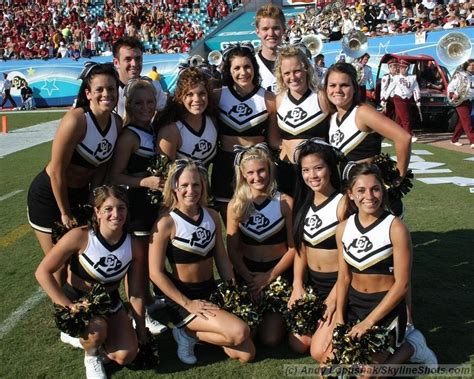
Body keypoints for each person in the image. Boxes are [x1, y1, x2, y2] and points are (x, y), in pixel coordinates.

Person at [149, 159, 255, 364]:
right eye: (185, 185)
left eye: (196, 184)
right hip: (183, 297)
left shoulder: (212, 216)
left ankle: (195, 333)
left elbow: (222, 259)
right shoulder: (166, 223)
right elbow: (155, 273)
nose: (191, 190)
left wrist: (233, 292)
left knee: (246, 354)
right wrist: (187, 304)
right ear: (174, 187)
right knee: (240, 332)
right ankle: (186, 331)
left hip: (210, 290)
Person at [35, 185, 147, 379]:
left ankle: (92, 338)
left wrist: (142, 329)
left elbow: (135, 292)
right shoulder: (81, 236)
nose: (116, 214)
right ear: (97, 212)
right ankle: (91, 355)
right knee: (97, 330)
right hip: (78, 300)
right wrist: (69, 308)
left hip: (110, 301)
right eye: (108, 209)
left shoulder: (134, 245)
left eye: (121, 208)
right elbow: (42, 272)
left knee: (126, 355)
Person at [335, 163, 437, 367]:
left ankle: (412, 347)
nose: (369, 196)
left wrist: (369, 322)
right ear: (351, 194)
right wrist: (339, 315)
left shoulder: (396, 228)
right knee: (327, 368)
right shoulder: (343, 228)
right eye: (361, 190)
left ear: (383, 190)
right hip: (355, 306)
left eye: (375, 189)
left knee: (366, 374)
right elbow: (344, 277)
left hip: (386, 308)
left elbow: (402, 284)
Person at [27, 62, 121, 283]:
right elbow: (57, 171)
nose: (106, 94)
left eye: (111, 89)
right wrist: (64, 212)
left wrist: (92, 202)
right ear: (88, 93)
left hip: (80, 195)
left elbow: (101, 168)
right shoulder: (76, 120)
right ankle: (65, 314)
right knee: (57, 265)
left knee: (80, 262)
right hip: (50, 195)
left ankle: (82, 311)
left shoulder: (116, 122)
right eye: (99, 89)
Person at [109, 78, 167, 334]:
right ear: (129, 104)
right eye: (138, 103)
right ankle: (138, 315)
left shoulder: (151, 128)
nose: (145, 107)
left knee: (148, 260)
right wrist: (146, 181)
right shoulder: (129, 136)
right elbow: (115, 176)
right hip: (136, 207)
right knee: (138, 264)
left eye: (150, 102)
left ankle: (149, 303)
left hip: (151, 206)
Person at [226, 144, 295, 346]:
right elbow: (233, 249)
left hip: (278, 274)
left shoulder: (285, 202)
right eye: (251, 173)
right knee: (248, 334)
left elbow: (293, 249)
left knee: (270, 339)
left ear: (270, 169)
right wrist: (250, 279)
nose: (257, 177)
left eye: (262, 170)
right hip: (248, 274)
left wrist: (268, 277)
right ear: (243, 175)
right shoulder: (236, 205)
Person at [324, 62, 411, 216]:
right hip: (351, 193)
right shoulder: (332, 118)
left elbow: (403, 137)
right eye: (332, 85)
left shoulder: (362, 112)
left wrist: (399, 177)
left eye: (344, 85)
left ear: (354, 88)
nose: (337, 90)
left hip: (371, 196)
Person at [287, 139, 346, 362]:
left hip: (339, 287)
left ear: (330, 169)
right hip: (314, 286)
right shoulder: (304, 203)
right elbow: (301, 250)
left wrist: (333, 299)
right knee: (298, 344)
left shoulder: (343, 204)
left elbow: (349, 261)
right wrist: (297, 285)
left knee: (319, 353)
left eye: (318, 168)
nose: (312, 175)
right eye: (306, 170)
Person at [211, 43, 278, 218]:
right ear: (229, 70)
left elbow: (273, 141)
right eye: (237, 68)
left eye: (247, 66)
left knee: (258, 220)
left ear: (254, 68)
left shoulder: (269, 99)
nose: (243, 72)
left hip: (257, 166)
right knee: (230, 223)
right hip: (226, 165)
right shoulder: (217, 96)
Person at [274, 46, 330, 196]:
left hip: (318, 173)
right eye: (287, 73)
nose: (292, 77)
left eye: (297, 70)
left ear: (306, 69)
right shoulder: (279, 100)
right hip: (287, 171)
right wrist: (289, 147)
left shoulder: (321, 97)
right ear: (281, 75)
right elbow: (273, 140)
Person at [156, 67, 218, 165]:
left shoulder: (212, 122)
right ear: (180, 96)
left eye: (202, 93)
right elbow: (163, 177)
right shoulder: (170, 132)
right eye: (189, 94)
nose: (197, 99)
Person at [112, 37, 166, 118]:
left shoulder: (154, 87)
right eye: (128, 59)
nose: (134, 64)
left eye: (138, 59)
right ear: (116, 63)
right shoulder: (108, 91)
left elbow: (164, 117)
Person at [382, 59, 421, 142]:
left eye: (404, 67)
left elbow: (416, 89)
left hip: (408, 99)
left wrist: (417, 100)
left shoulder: (412, 77)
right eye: (401, 67)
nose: (402, 69)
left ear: (407, 68)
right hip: (398, 98)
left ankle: (393, 133)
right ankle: (409, 135)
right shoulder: (396, 78)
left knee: (399, 118)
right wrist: (384, 99)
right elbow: (389, 89)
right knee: (406, 118)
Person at [255, 4, 286, 93]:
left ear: (283, 29)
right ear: (258, 31)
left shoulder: (295, 62)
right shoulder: (251, 65)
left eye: (276, 28)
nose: (271, 33)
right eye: (265, 29)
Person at [448, 59, 474, 148]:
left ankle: (454, 140)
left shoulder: (472, 76)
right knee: (467, 122)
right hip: (460, 101)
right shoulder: (459, 75)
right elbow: (450, 87)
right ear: (466, 66)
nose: (473, 67)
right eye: (471, 65)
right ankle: (472, 141)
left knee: (462, 122)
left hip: (469, 100)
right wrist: (452, 94)